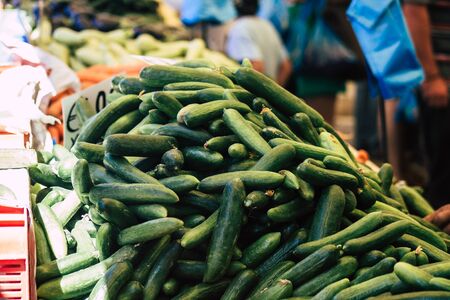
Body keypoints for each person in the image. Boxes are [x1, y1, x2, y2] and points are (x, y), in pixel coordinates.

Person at [403, 1, 450, 209]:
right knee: (444, 180)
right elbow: (413, 10)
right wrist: (431, 77)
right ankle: (439, 238)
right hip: (443, 83)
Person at [225, 0, 292, 86]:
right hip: (267, 94)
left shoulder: (239, 29)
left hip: (254, 98)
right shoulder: (267, 25)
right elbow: (286, 66)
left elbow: (257, 66)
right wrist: (275, 91)